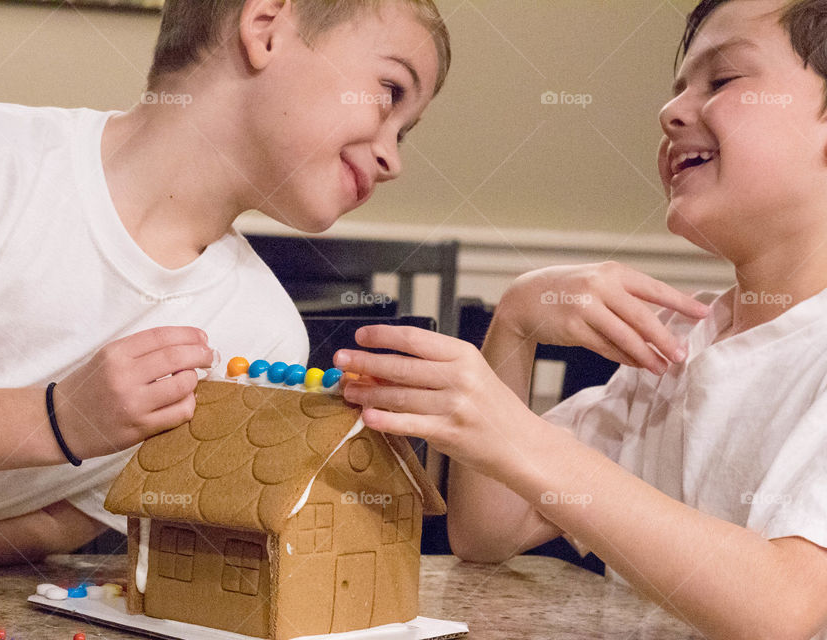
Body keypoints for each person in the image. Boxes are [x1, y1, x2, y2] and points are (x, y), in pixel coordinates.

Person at [0, 0, 449, 571]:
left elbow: (59, 521)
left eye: (409, 132)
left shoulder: (265, 339)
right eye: (391, 92)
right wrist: (58, 420)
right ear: (267, 26)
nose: (393, 159)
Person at [335, 1, 827, 638]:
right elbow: (488, 532)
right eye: (678, 86)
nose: (670, 111)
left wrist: (522, 437)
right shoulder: (679, 342)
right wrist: (513, 324)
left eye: (724, 80)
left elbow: (783, 607)